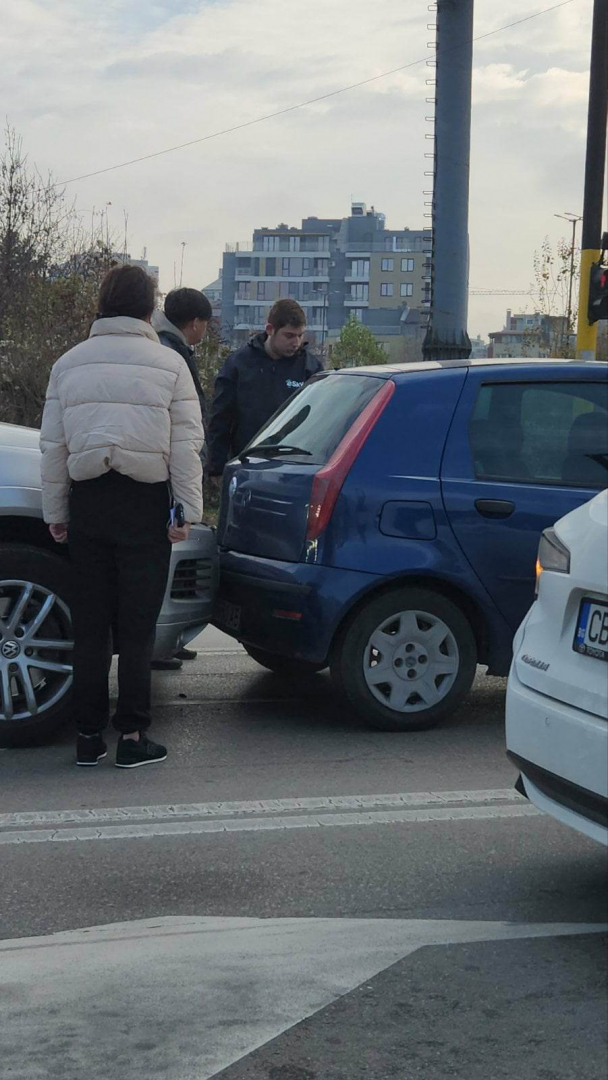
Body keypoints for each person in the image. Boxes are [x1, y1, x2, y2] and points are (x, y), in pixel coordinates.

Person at [40, 265, 204, 769]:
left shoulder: (68, 364)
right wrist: (186, 512)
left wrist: (57, 511)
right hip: (145, 504)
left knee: (90, 627)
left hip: (89, 501)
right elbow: (185, 447)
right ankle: (132, 737)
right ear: (147, 306)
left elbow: (54, 447)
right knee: (136, 629)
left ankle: (87, 737)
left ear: (102, 303)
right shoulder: (169, 364)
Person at [151, 287, 212, 668]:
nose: (205, 332)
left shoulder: (166, 345)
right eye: (205, 325)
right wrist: (188, 505)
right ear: (194, 323)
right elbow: (183, 427)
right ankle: (159, 642)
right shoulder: (172, 353)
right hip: (171, 480)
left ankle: (166, 640)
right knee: (168, 555)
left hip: (166, 474)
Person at [206, 299, 323, 479]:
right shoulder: (239, 364)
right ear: (270, 330)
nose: (296, 342)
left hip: (294, 468)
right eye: (289, 335)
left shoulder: (310, 368)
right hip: (246, 465)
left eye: (300, 335)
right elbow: (220, 417)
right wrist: (217, 467)